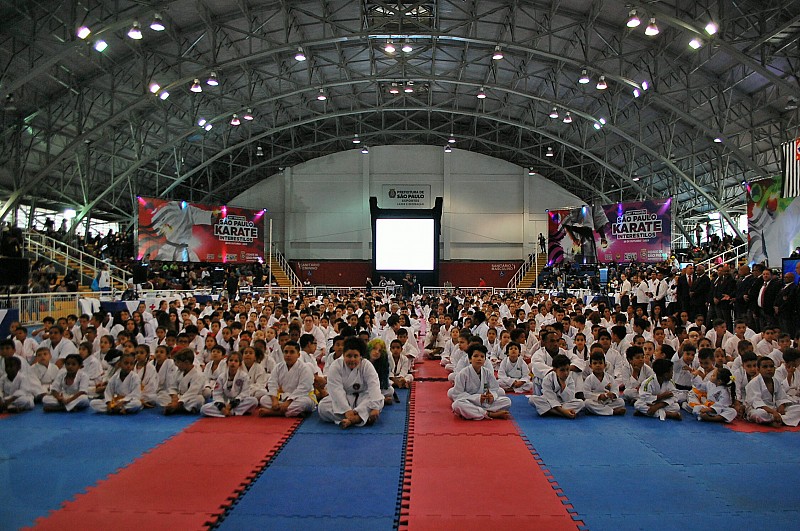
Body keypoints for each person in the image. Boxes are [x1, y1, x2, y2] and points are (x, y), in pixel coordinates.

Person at [317, 337, 384, 428]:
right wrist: (346, 410)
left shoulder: (366, 365)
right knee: (323, 407)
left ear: (360, 356)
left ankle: (353, 419)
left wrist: (375, 408)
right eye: (349, 356)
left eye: (355, 356)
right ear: (343, 355)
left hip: (362, 398)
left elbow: (374, 386)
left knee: (379, 400)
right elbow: (336, 390)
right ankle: (359, 418)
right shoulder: (336, 366)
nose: (352, 359)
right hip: (344, 399)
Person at [451, 344, 511, 420]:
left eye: (482, 357)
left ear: (485, 360)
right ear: (470, 359)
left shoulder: (487, 372)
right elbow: (457, 394)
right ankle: (490, 414)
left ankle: (476, 412)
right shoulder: (463, 374)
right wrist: (477, 398)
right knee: (457, 405)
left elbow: (494, 388)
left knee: (507, 401)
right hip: (470, 401)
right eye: (476, 356)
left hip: (485, 403)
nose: (479, 359)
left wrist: (492, 396)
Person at [258, 341, 315, 417]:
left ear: (298, 355)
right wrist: (274, 400)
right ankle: (290, 412)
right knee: (264, 400)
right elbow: (272, 383)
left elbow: (303, 388)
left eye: (292, 352)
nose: (288, 355)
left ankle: (273, 412)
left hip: (301, 397)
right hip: (283, 397)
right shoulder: (278, 367)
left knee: (304, 403)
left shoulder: (305, 368)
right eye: (286, 352)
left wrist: (288, 402)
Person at [745, 356, 800, 427]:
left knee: (798, 408)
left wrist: (781, 406)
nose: (769, 369)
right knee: (760, 414)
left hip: (774, 408)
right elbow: (756, 402)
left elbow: (781, 397)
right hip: (759, 409)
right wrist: (773, 412)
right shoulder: (753, 383)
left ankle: (777, 419)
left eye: (771, 366)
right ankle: (779, 419)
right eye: (765, 367)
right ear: (758, 370)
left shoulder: (776, 381)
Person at [201, 351, 257, 417]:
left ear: (240, 364)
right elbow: (217, 394)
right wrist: (221, 407)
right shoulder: (221, 377)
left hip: (238, 402)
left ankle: (229, 412)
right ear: (227, 363)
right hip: (224, 402)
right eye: (231, 360)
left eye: (236, 361)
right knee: (203, 409)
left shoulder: (244, 376)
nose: (233, 363)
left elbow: (245, 392)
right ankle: (232, 412)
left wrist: (232, 404)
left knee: (253, 401)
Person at [530, 353, 583, 418]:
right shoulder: (548, 378)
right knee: (532, 399)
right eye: (562, 370)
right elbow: (550, 398)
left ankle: (550, 411)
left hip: (564, 403)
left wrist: (563, 384)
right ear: (555, 370)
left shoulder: (570, 379)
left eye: (567, 369)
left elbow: (569, 398)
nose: (566, 373)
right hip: (550, 402)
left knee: (581, 403)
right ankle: (560, 413)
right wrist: (564, 412)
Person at [159, 348, 204, 415]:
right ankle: (181, 408)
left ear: (186, 362)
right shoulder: (179, 371)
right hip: (178, 396)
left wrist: (178, 403)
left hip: (189, 398)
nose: (176, 365)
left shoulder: (198, 375)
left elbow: (192, 392)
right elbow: (172, 387)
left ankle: (176, 407)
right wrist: (174, 397)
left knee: (199, 399)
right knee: (161, 396)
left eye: (178, 362)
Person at [582, 351, 627, 416]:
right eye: (595, 363)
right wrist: (598, 397)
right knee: (587, 403)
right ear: (590, 366)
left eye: (600, 363)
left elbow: (615, 389)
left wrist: (613, 394)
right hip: (596, 401)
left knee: (621, 402)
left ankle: (597, 410)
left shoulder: (609, 378)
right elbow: (586, 394)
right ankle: (613, 411)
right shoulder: (589, 379)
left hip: (608, 401)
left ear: (605, 365)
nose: (598, 365)